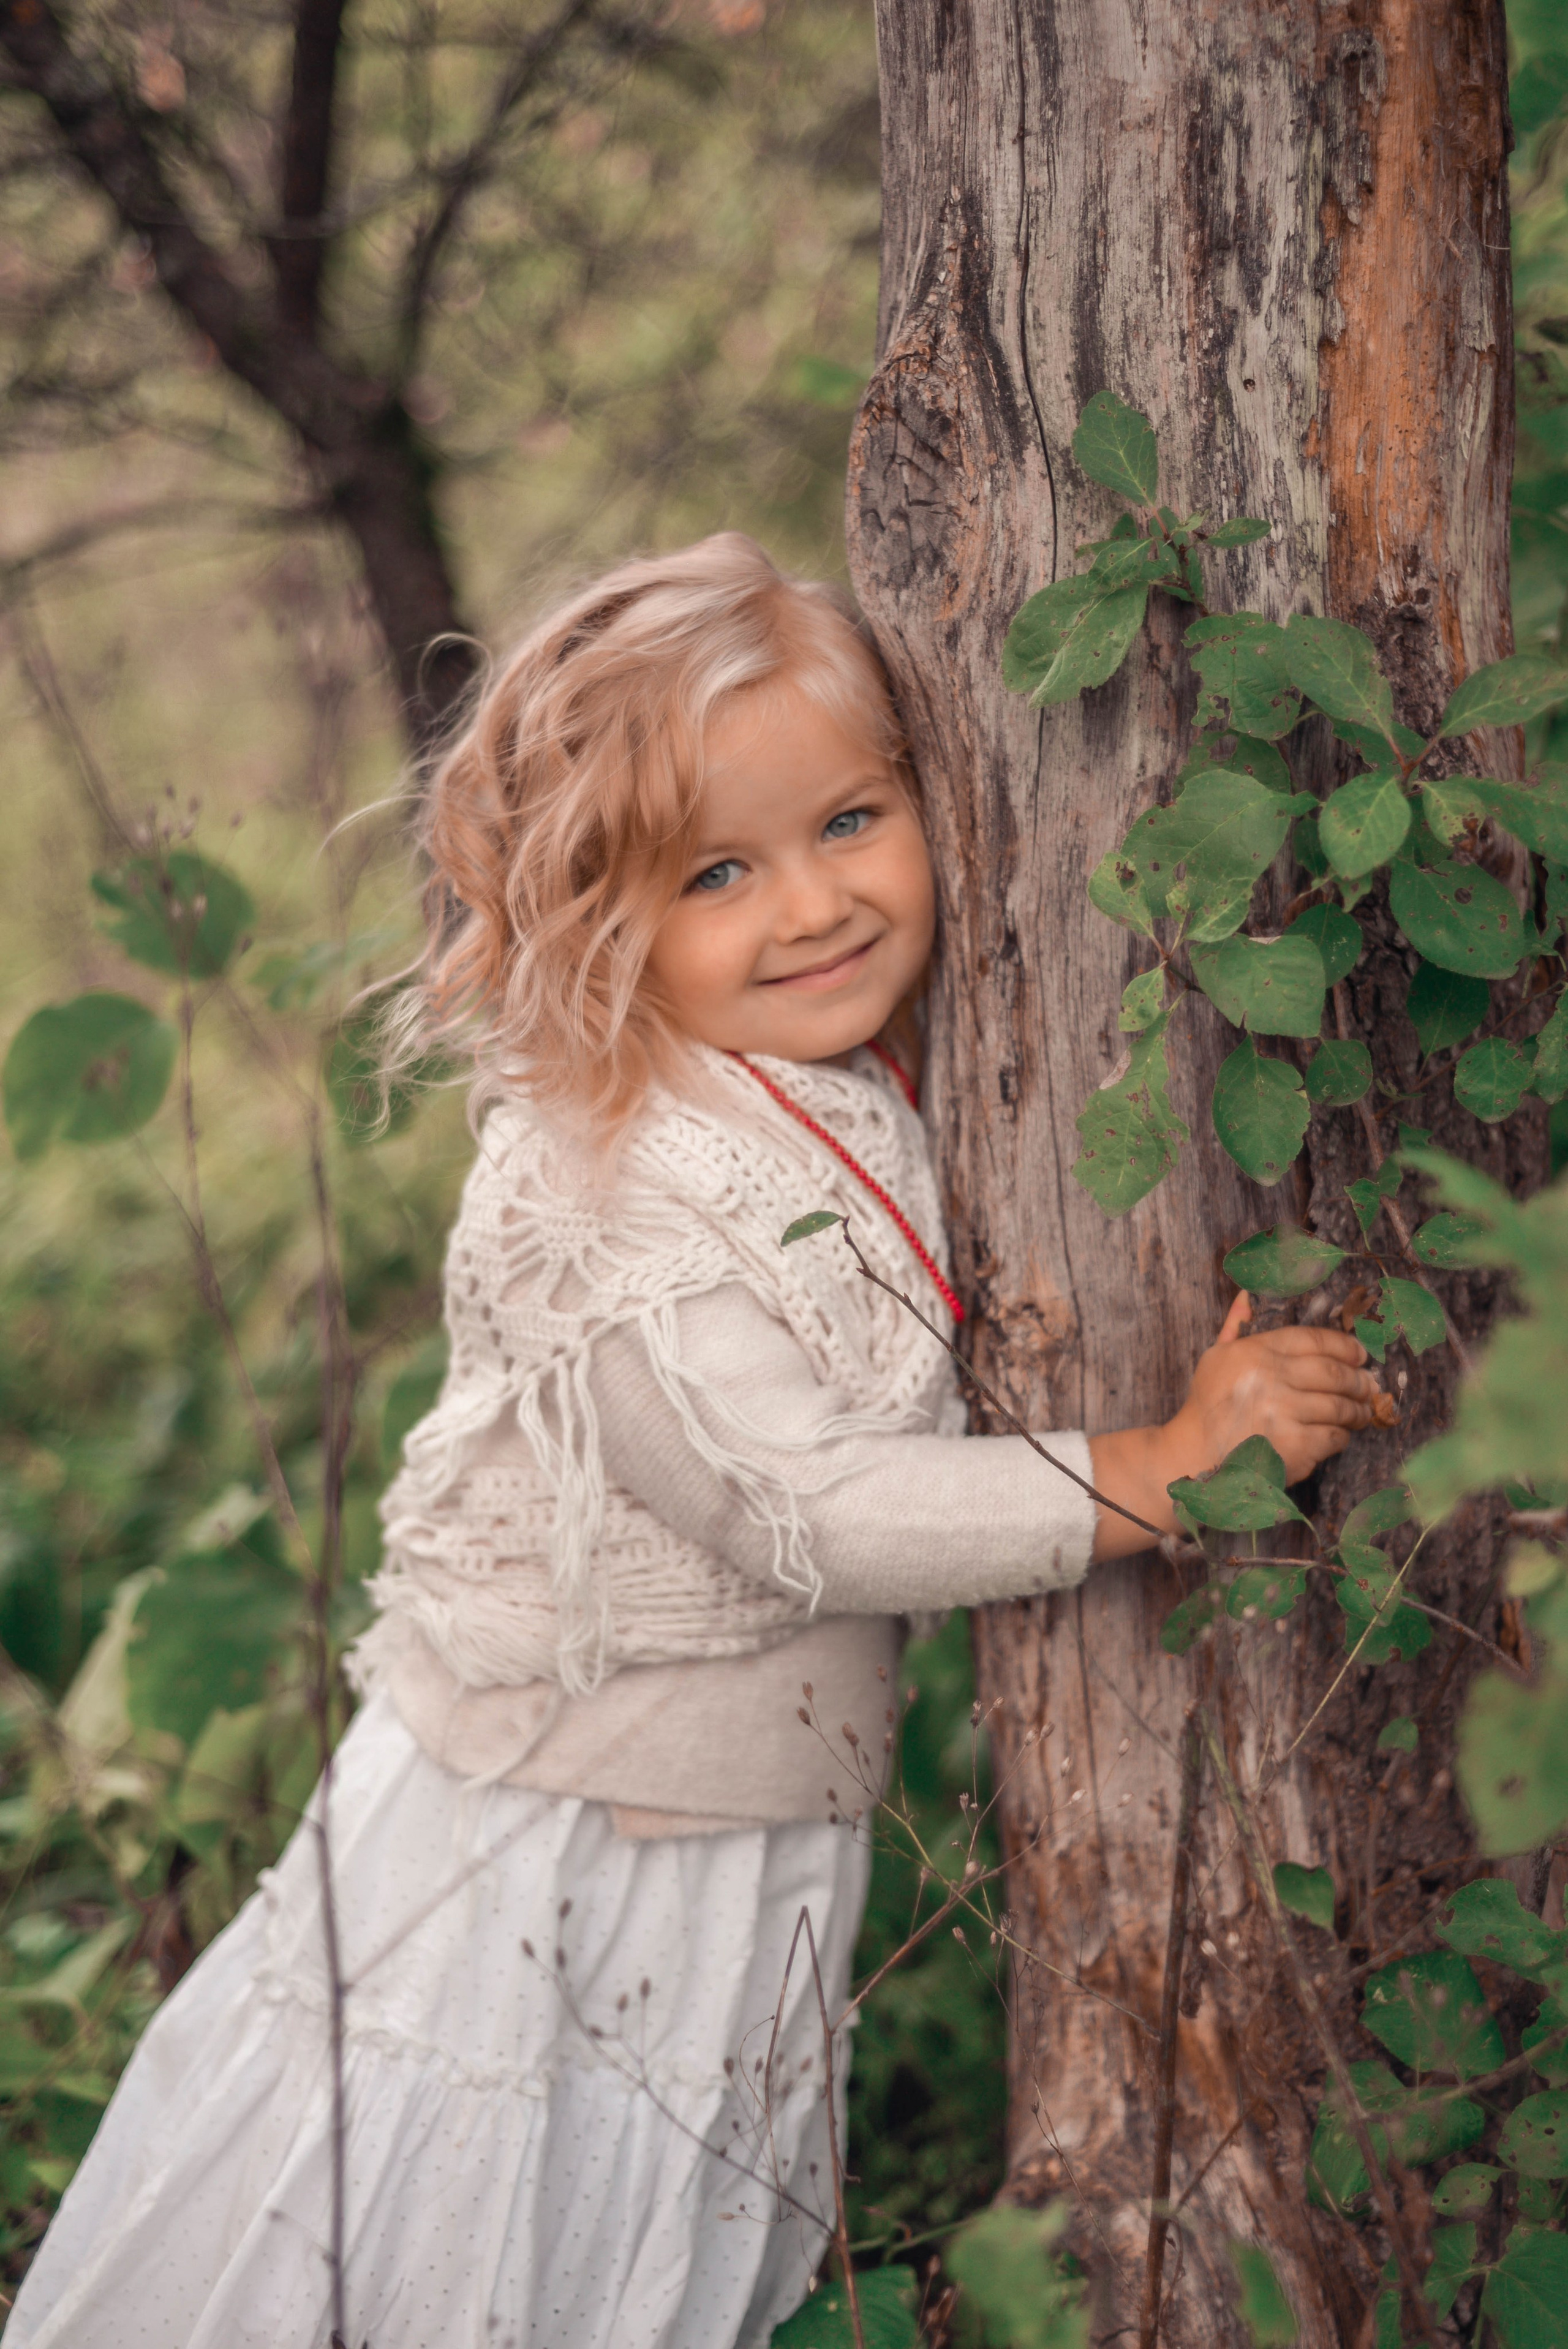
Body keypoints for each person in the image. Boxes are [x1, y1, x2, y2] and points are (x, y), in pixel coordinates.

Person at [5, 534, 1378, 2349]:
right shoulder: (598, 1186)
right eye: (717, 871)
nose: (811, 906)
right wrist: (1156, 1462)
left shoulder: (838, 1072)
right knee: (446, 2226)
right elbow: (800, 1508)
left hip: (738, 1833)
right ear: (595, 917)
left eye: (851, 820)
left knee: (628, 2246)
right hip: (551, 1833)